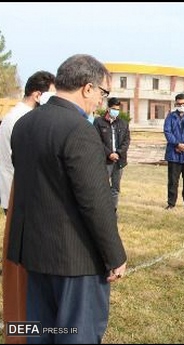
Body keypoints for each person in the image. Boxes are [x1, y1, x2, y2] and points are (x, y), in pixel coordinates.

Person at [6, 54, 127, 344]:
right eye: (102, 93)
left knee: (42, 333)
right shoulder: (79, 131)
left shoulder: (25, 124)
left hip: (35, 254)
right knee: (77, 334)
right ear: (87, 88)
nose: (101, 101)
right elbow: (95, 202)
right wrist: (115, 255)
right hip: (76, 261)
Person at [0, 70, 56, 214]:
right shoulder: (26, 119)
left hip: (13, 192)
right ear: (38, 95)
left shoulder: (13, 115)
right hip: (23, 196)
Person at [93, 97, 130, 210]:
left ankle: (112, 211)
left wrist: (118, 153)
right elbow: (97, 140)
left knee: (115, 188)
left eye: (118, 109)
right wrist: (109, 154)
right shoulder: (98, 122)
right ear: (108, 108)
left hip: (119, 161)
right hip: (105, 160)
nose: (116, 111)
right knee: (101, 186)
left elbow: (126, 141)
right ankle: (101, 210)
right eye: (113, 109)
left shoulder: (123, 123)